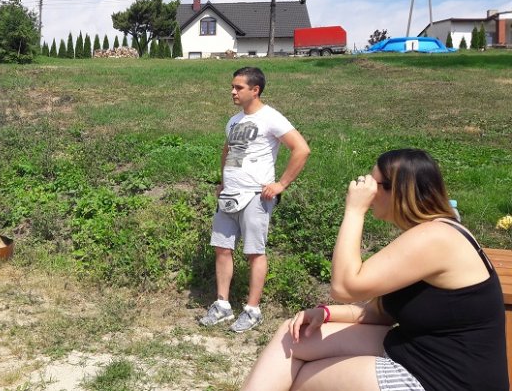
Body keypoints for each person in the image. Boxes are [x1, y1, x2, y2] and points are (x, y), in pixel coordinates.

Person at [241, 148, 508, 391]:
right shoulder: (426, 234)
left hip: (447, 380)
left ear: (398, 190)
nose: (365, 191)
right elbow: (377, 314)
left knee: (303, 379)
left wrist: (354, 210)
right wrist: (324, 313)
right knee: (292, 338)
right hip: (422, 354)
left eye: (372, 184)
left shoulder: (436, 238)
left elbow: (344, 287)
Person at [200, 67, 310, 332]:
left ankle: (252, 310)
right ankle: (223, 305)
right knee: (222, 248)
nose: (233, 92)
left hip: (255, 196)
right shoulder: (234, 121)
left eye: (238, 87)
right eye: (232, 86)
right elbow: (229, 152)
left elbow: (301, 149)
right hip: (230, 195)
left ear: (255, 90)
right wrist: (223, 182)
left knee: (254, 252)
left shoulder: (270, 117)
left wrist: (281, 184)